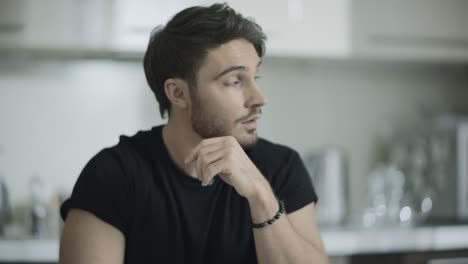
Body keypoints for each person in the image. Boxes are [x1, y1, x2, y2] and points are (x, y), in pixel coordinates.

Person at [59, 3, 327, 264]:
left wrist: (261, 197)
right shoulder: (113, 175)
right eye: (235, 81)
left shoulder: (281, 168)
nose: (259, 98)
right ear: (178, 93)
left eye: (255, 78)